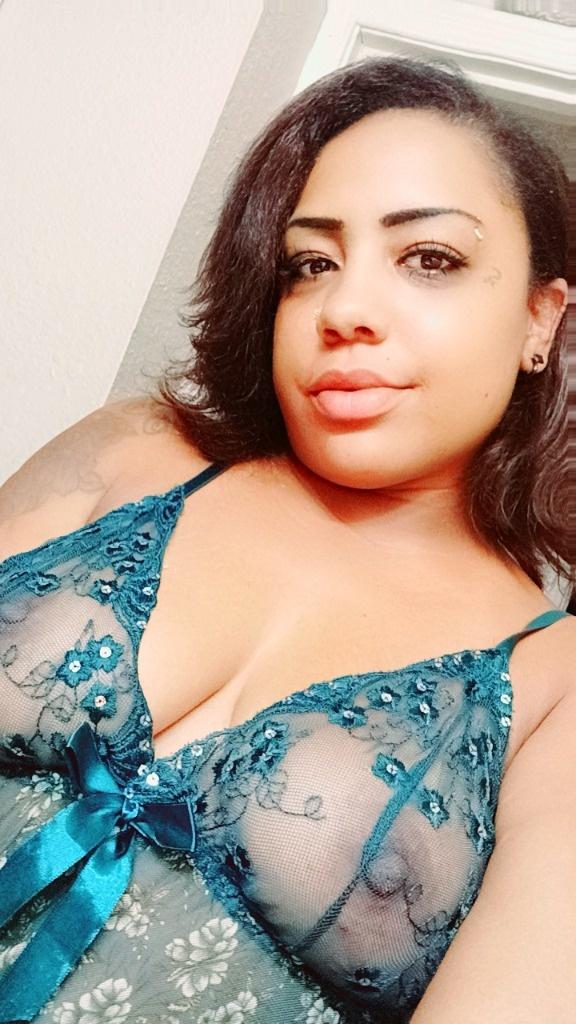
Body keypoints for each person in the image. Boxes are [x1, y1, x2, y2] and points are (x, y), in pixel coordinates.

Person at [0, 54, 573, 1024]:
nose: (344, 310)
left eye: (430, 258)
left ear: (539, 318)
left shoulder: (554, 682)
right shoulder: (133, 452)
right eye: (312, 263)